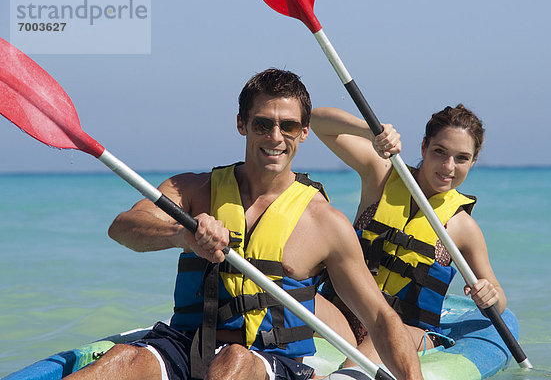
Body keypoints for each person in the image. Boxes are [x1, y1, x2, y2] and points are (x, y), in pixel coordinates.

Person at [65, 69, 423, 380]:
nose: (275, 137)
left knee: (233, 361)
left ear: (304, 132)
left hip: (268, 363)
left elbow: (380, 319)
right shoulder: (194, 190)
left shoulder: (325, 222)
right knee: (123, 358)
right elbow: (124, 228)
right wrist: (183, 234)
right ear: (242, 125)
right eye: (263, 124)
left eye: (289, 126)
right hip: (184, 346)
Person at [311, 105, 507, 360]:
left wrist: (489, 294)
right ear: (424, 146)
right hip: (347, 316)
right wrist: (372, 132)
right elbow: (314, 121)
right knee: (287, 294)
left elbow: (498, 299)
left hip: (410, 331)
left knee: (385, 336)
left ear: (473, 160)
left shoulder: (463, 227)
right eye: (440, 152)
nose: (448, 167)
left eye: (461, 158)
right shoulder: (380, 175)